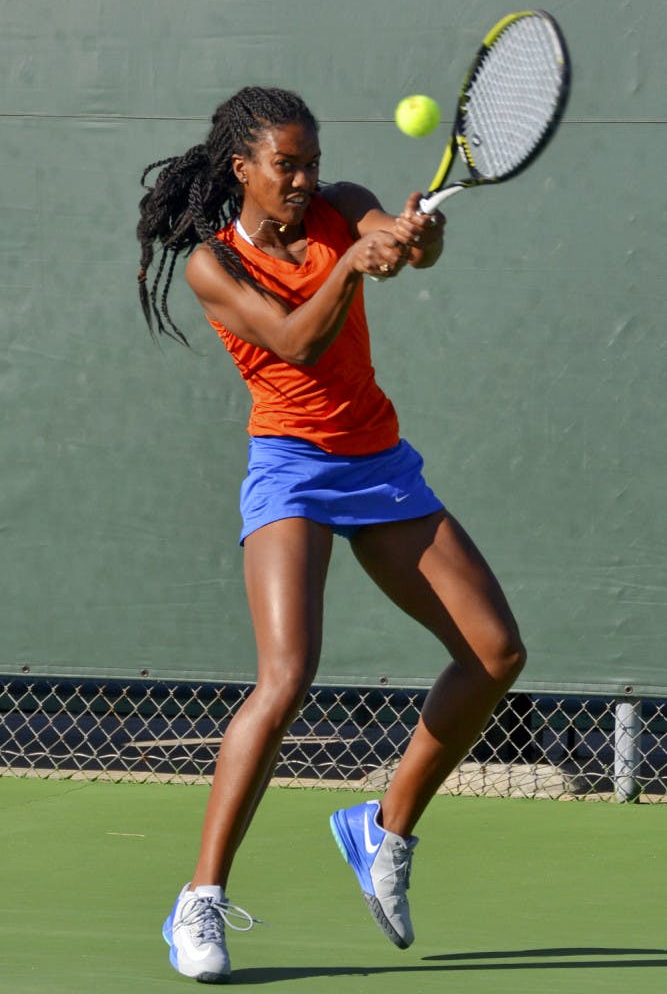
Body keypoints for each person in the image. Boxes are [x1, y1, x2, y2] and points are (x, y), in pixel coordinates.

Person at [136, 85, 526, 984]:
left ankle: (383, 828)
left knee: (496, 653)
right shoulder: (212, 267)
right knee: (286, 678)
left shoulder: (342, 205)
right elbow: (296, 343)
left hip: (377, 460)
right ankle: (198, 899)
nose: (306, 180)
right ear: (243, 169)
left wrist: (412, 240)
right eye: (287, 166)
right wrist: (353, 265)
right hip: (291, 468)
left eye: (312, 161)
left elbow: (401, 251)